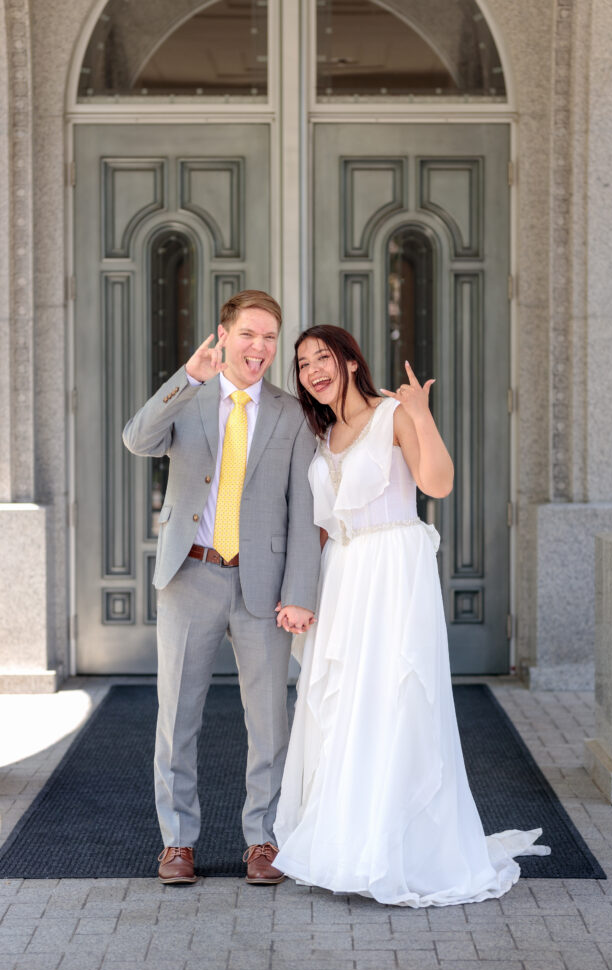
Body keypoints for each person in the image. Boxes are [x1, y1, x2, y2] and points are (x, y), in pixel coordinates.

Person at [273, 325, 550, 907]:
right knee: (345, 702)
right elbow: (321, 524)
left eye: (324, 357)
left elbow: (437, 483)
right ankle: (349, 843)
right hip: (343, 573)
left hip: (394, 567)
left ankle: (401, 848)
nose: (313, 370)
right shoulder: (320, 435)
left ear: (350, 361)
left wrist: (421, 414)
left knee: (397, 697)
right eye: (302, 364)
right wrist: (302, 592)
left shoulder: (391, 413)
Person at [123, 291, 320, 886]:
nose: (259, 347)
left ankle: (262, 839)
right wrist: (185, 377)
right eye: (248, 335)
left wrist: (301, 590)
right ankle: (177, 843)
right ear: (224, 335)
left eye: (269, 337)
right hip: (191, 575)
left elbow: (303, 508)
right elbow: (138, 440)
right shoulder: (192, 396)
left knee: (269, 721)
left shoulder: (291, 413)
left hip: (263, 585)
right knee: (177, 716)